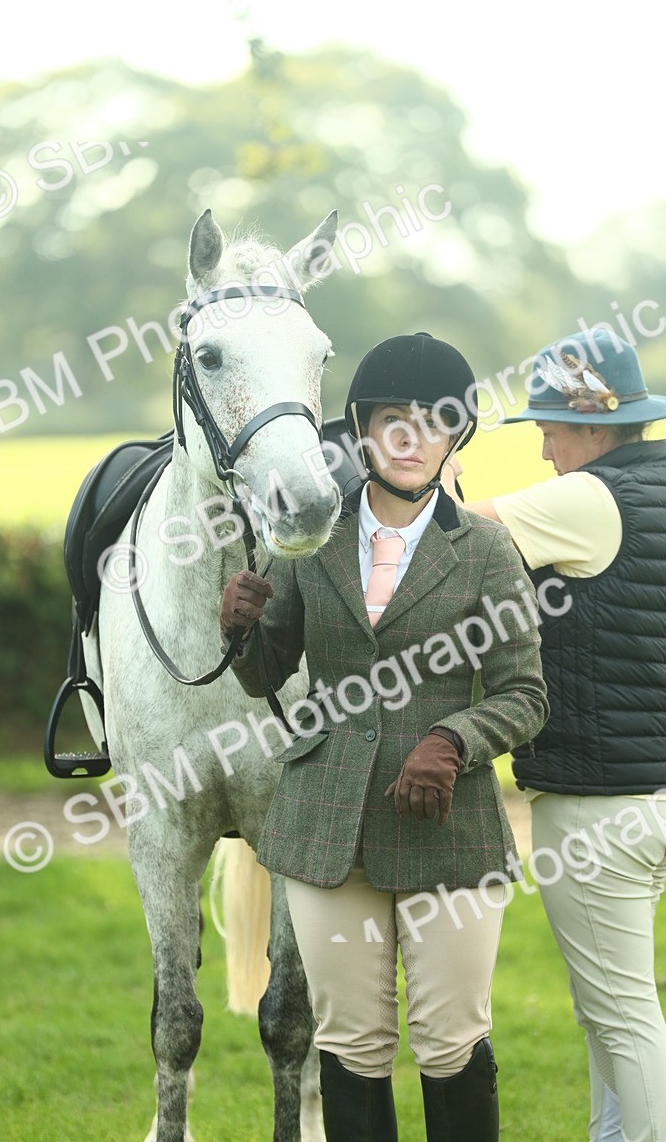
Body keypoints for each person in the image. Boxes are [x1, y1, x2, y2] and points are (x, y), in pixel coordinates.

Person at [220, 332, 548, 1142]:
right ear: (362, 429)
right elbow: (268, 674)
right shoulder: (310, 540)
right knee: (350, 1042)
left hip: (448, 828)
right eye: (392, 419)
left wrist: (454, 739)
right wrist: (240, 632)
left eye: (432, 422)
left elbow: (525, 694)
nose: (410, 437)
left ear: (454, 438)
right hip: (326, 821)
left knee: (450, 1039)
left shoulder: (488, 550)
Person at [446, 329, 666, 1142]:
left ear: (589, 427)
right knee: (616, 1013)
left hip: (599, 803)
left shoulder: (585, 500)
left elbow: (451, 538)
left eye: (548, 429)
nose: (543, 450)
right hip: (651, 791)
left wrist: (436, 472)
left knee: (621, 1016)